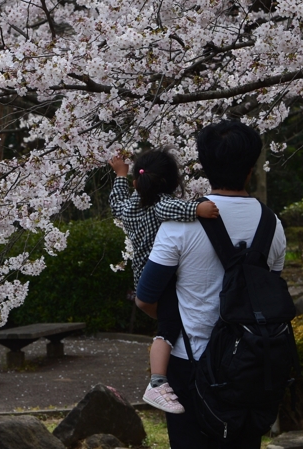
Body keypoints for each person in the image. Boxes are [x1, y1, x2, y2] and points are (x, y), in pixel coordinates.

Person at [135, 121, 287, 449]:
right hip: (251, 364)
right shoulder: (273, 225)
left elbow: (145, 299)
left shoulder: (180, 225)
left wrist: (169, 322)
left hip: (190, 363)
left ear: (204, 167)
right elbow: (267, 296)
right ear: (251, 169)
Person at [108, 148, 220, 414]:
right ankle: (157, 382)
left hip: (143, 276)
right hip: (163, 276)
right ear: (171, 182)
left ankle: (158, 379)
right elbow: (175, 207)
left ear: (138, 182)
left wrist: (120, 174)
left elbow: (116, 202)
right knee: (168, 329)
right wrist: (198, 208)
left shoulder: (129, 206)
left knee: (169, 322)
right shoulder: (160, 205)